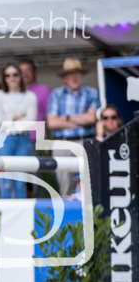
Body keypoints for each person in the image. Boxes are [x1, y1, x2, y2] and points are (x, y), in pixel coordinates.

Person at [46, 58, 100, 196]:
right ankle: (67, 212)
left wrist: (66, 118)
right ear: (64, 78)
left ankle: (90, 214)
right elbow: (52, 123)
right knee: (65, 187)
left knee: (89, 182)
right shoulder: (56, 94)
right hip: (62, 143)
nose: (74, 77)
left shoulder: (92, 92)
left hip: (85, 141)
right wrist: (81, 119)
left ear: (81, 75)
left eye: (77, 73)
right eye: (70, 74)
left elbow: (92, 118)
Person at [0, 63, 38, 198]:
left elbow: (31, 123)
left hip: (23, 139)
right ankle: (4, 217)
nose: (11, 78)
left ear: (20, 76)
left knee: (21, 182)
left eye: (15, 74)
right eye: (7, 75)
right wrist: (19, 117)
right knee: (6, 182)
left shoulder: (30, 96)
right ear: (4, 78)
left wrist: (10, 120)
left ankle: (22, 217)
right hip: (5, 139)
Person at [20, 58, 50, 143]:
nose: (24, 74)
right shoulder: (13, 92)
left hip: (38, 137)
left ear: (35, 73)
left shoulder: (44, 90)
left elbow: (49, 117)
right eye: (21, 71)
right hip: (17, 138)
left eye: (27, 70)